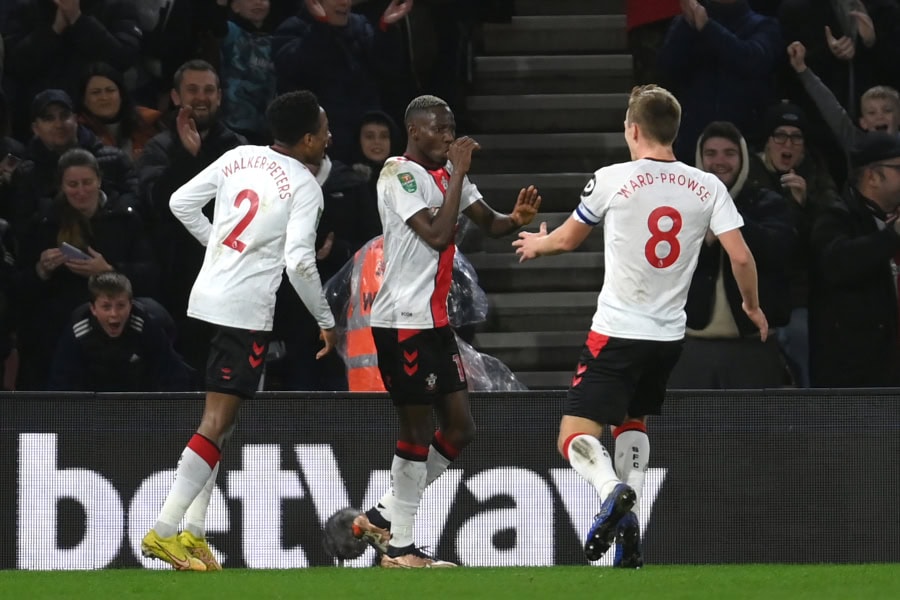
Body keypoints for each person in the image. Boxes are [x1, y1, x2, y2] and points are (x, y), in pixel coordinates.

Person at [513, 85, 768, 567]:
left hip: (615, 330)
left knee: (573, 433)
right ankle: (628, 530)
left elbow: (567, 241)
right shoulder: (707, 185)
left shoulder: (611, 178)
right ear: (674, 131)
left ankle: (612, 493)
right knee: (632, 420)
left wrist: (535, 245)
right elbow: (740, 255)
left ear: (632, 130)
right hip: (669, 336)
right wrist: (752, 307)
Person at [141, 90, 337, 571]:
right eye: (326, 130)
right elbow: (299, 263)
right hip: (245, 309)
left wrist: (220, 250)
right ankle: (164, 530)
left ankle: (193, 532)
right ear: (308, 138)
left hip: (206, 298)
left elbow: (180, 202)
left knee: (222, 423)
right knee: (216, 419)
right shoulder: (305, 187)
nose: (331, 137)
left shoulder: (239, 156)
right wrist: (326, 320)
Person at [348, 94, 541, 568]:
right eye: (440, 129)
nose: (450, 137)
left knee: (460, 427)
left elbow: (486, 222)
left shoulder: (448, 175)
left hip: (433, 321)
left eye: (452, 128)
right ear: (415, 131)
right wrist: (456, 174)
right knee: (417, 429)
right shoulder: (399, 174)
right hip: (402, 321)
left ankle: (383, 514)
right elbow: (436, 234)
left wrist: (513, 220)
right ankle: (400, 547)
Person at [668, 121, 793, 388]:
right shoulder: (678, 206)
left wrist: (729, 222)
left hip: (752, 345)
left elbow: (781, 252)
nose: (719, 161)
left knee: (752, 429)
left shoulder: (768, 202)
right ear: (700, 158)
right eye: (711, 154)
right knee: (689, 428)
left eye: (729, 153)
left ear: (743, 158)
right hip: (691, 344)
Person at [808, 132, 900, 387]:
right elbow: (836, 264)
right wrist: (892, 236)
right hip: (855, 374)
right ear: (872, 175)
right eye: (898, 169)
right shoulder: (835, 216)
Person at [48, 271, 191, 391]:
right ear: (93, 309)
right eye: (106, 307)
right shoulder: (78, 330)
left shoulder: (145, 325)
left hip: (139, 409)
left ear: (130, 305)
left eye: (121, 305)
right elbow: (62, 384)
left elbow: (173, 375)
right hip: (91, 411)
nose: (114, 314)